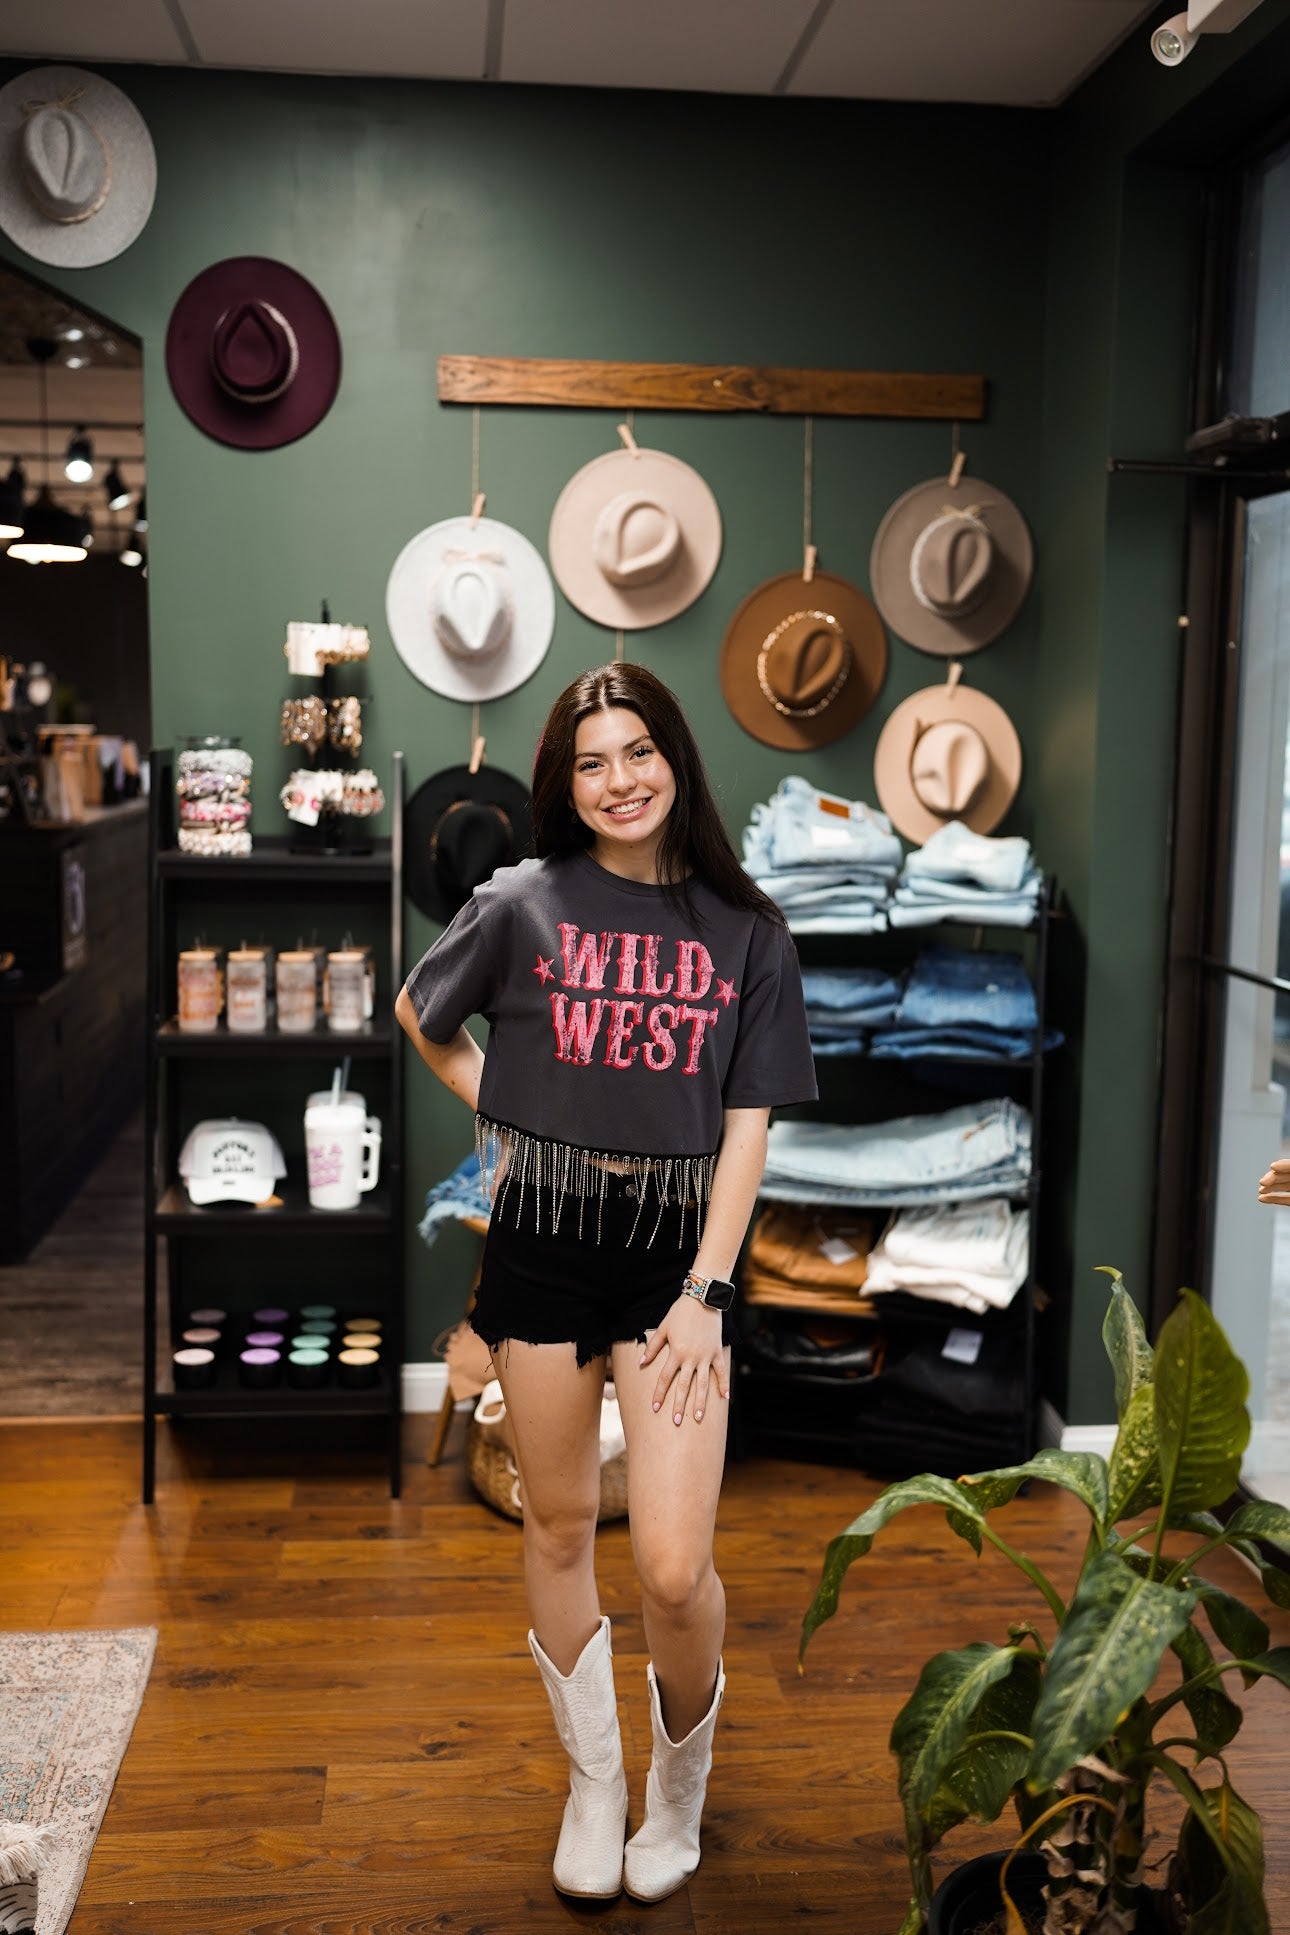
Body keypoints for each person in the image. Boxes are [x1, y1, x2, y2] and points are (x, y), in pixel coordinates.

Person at [395, 662, 817, 1902]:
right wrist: (511, 1113)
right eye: (591, 762)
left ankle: (677, 1794)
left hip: (675, 1269)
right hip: (540, 1244)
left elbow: (749, 1128)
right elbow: (427, 1014)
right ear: (562, 786)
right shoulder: (522, 901)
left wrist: (708, 1291)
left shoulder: (750, 933)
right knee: (561, 1523)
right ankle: (595, 1782)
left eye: (638, 751)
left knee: (676, 1566)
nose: (618, 779)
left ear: (675, 761)